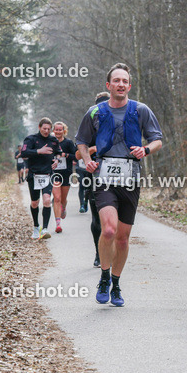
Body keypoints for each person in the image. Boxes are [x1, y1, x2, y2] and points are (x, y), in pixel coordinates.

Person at [76, 64, 163, 306]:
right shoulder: (94, 112)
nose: (121, 84)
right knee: (110, 230)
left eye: (125, 81)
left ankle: (116, 283)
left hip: (130, 178)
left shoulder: (141, 110)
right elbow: (81, 141)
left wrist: (145, 150)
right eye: (116, 81)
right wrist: (87, 161)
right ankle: (104, 277)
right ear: (108, 85)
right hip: (104, 178)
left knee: (123, 238)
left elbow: (157, 140)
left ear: (129, 86)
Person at [81, 92, 110, 266]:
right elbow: (79, 152)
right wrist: (93, 150)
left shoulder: (123, 123)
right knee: (97, 218)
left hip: (121, 177)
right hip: (97, 174)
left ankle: (111, 250)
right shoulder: (91, 125)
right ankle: (99, 254)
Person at [20, 118, 62, 239]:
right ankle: (36, 227)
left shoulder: (53, 140)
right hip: (34, 175)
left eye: (49, 129)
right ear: (39, 127)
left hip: (48, 174)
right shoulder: (31, 139)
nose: (46, 131)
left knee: (47, 200)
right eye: (44, 128)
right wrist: (39, 151)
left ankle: (44, 229)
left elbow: (58, 152)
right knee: (35, 203)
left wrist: (57, 160)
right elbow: (24, 153)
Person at [78, 93, 108, 215]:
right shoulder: (90, 126)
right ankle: (84, 201)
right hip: (94, 169)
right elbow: (77, 154)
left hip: (117, 175)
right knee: (97, 213)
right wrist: (92, 150)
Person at [51, 122, 77, 233]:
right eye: (56, 130)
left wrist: (65, 155)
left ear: (64, 131)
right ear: (53, 131)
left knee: (62, 199)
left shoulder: (68, 143)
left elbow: (76, 156)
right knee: (56, 198)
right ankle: (58, 224)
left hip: (66, 173)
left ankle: (64, 207)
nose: (58, 132)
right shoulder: (50, 142)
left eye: (60, 130)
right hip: (53, 173)